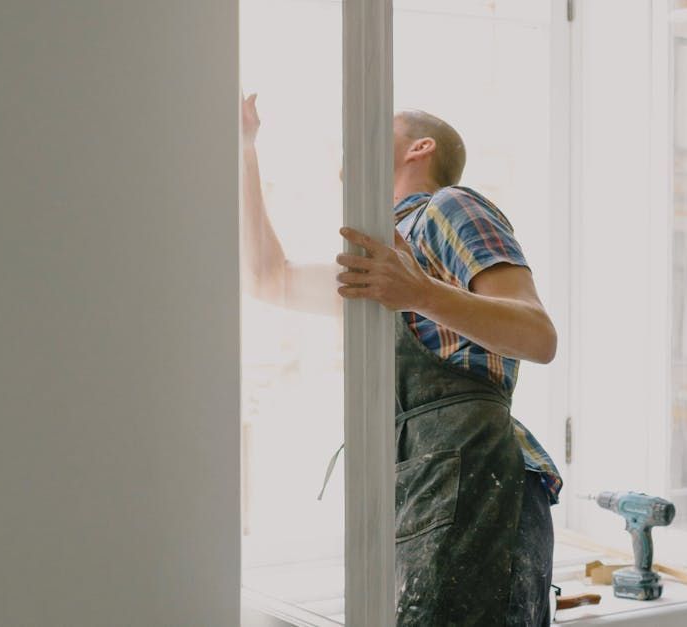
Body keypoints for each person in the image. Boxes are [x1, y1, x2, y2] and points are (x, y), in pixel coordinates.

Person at [241, 94, 563, 626]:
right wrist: (244, 149)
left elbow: (538, 334)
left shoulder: (451, 207)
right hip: (418, 487)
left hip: (477, 479)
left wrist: (420, 293)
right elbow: (267, 279)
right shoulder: (386, 261)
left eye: (380, 126)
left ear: (421, 147)